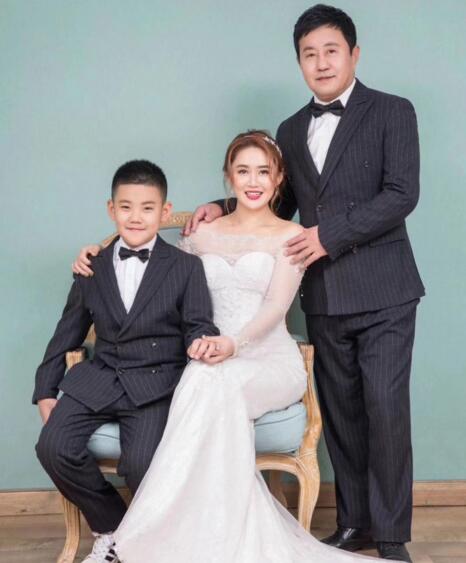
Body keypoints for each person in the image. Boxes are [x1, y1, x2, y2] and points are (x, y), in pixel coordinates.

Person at [73, 130, 390, 563]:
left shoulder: (292, 234)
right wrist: (98, 251)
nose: (253, 181)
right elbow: (155, 270)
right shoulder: (201, 233)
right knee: (204, 378)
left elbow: (276, 306)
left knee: (213, 382)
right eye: (243, 171)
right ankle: (183, 535)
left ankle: (173, 536)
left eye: (263, 172)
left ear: (278, 179)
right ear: (229, 177)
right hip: (211, 356)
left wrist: (233, 344)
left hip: (267, 359)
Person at [183, 6, 424, 562]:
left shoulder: (393, 111)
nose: (321, 63)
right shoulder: (291, 130)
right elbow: (278, 201)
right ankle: (355, 524)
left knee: (386, 411)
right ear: (299, 63)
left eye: (331, 51)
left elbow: (401, 194)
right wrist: (218, 206)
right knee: (342, 415)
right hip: (324, 295)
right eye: (309, 54)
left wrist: (327, 236)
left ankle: (391, 537)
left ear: (354, 54)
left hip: (385, 290)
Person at [33, 160, 219, 563]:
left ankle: (147, 540)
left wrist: (202, 342)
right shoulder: (91, 266)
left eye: (148, 208)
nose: (136, 217)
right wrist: (45, 389)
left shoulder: (186, 267)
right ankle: (114, 530)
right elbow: (68, 330)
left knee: (141, 464)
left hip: (155, 383)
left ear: (165, 212)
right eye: (126, 207)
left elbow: (199, 323)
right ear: (111, 209)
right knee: (52, 447)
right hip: (100, 377)